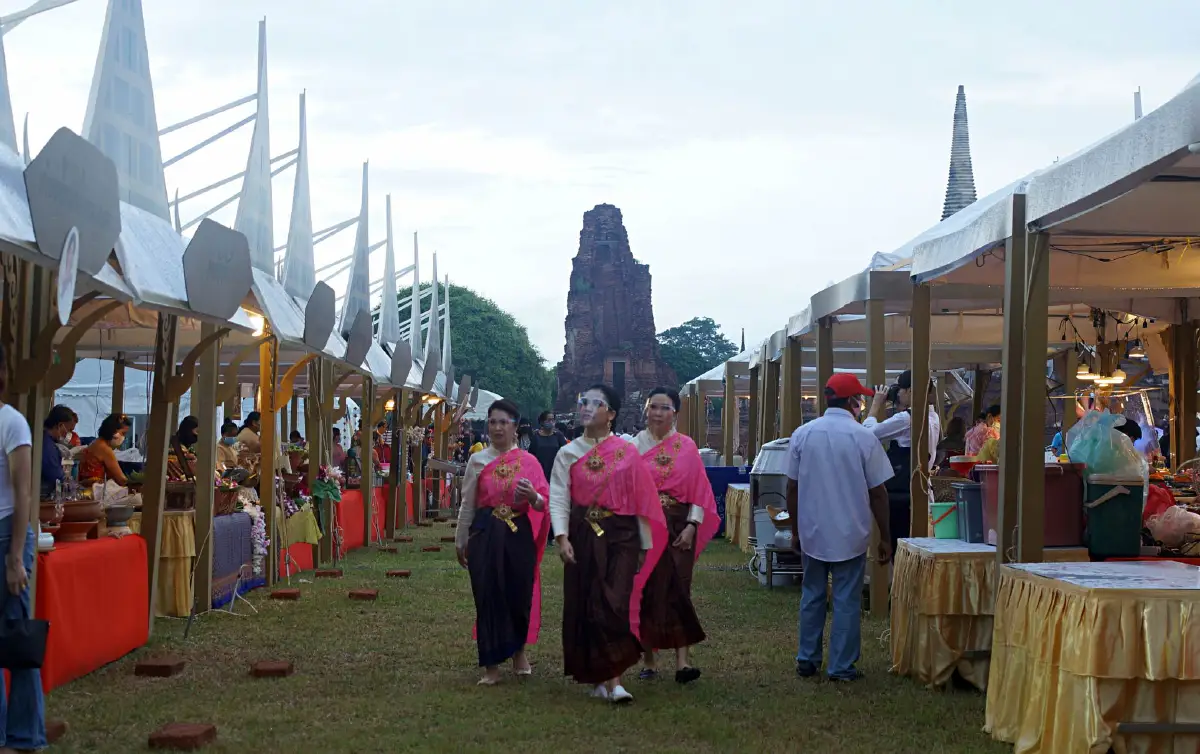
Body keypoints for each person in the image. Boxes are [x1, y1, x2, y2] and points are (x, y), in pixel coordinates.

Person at [550, 384, 667, 704]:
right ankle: (601, 675)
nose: (586, 407)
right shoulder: (568, 452)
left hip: (622, 536)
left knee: (614, 603)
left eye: (595, 403)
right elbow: (558, 497)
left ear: (611, 414)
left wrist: (644, 545)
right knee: (588, 604)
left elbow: (640, 498)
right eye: (582, 401)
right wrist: (561, 537)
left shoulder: (627, 453)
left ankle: (615, 680)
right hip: (583, 532)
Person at [787, 373, 893, 682]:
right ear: (853, 402)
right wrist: (885, 536)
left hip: (813, 531)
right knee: (846, 599)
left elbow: (791, 488)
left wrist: (796, 530)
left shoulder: (803, 434)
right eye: (860, 399)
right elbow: (878, 493)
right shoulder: (863, 437)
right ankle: (841, 667)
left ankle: (807, 659)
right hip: (850, 533)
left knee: (812, 595)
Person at [454, 399, 551, 685]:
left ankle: (518, 652)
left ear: (515, 427)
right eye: (493, 422)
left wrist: (533, 495)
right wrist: (461, 539)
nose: (497, 428)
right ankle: (491, 665)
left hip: (517, 534)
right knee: (487, 594)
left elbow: (542, 503)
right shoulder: (478, 460)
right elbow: (467, 503)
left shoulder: (529, 461)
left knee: (518, 593)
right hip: (485, 533)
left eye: (503, 422)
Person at [634, 387, 719, 684]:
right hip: (645, 526)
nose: (657, 413)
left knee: (679, 590)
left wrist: (692, 525)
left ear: (675, 413)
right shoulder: (634, 447)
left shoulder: (687, 446)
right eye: (653, 407)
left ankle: (683, 662)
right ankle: (649, 660)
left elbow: (699, 491)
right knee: (646, 591)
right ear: (646, 410)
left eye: (664, 408)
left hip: (680, 526)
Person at [0, 346, 45, 752]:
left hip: (7, 535)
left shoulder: (12, 423)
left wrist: (15, 556)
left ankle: (24, 735)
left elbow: (23, 494)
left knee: (17, 637)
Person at [864, 370, 941, 555]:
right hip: (922, 491)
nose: (897, 394)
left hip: (901, 495)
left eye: (901, 389)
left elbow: (866, 436)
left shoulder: (906, 418)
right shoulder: (933, 416)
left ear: (911, 391)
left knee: (900, 551)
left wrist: (875, 405)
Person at [79, 414, 131, 486]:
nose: (123, 437)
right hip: (96, 491)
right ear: (113, 431)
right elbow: (121, 479)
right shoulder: (105, 449)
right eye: (123, 433)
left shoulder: (95, 443)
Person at [41, 405, 75, 498]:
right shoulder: (47, 445)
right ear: (60, 425)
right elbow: (56, 476)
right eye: (68, 430)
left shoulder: (48, 441)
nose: (68, 434)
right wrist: (71, 486)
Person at [528, 411, 568, 483]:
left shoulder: (558, 436)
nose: (551, 422)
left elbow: (566, 453)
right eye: (549, 420)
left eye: (553, 420)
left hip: (556, 472)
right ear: (542, 422)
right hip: (540, 472)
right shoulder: (536, 437)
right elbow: (531, 456)